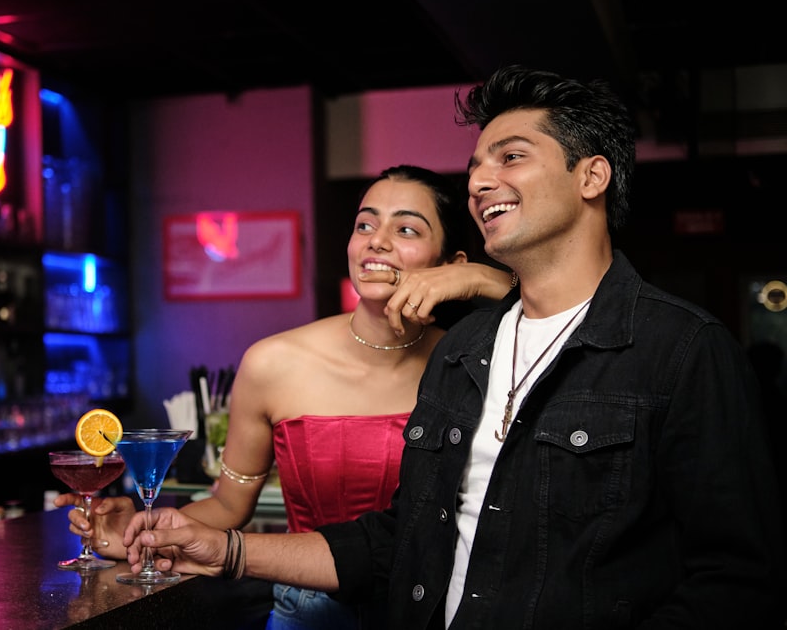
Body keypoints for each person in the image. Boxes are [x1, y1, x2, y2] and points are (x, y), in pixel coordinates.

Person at [119, 65, 785, 629]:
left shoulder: (684, 350)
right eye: (475, 166)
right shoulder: (465, 353)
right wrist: (224, 548)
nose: (480, 180)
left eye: (511, 156)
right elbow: (403, 539)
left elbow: (736, 582)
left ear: (592, 176)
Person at [55, 164, 515, 629]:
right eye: (365, 224)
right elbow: (230, 506)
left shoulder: (475, 361)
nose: (376, 240)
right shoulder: (272, 363)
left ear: (451, 264)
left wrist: (482, 278)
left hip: (429, 611)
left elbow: (572, 314)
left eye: (406, 228)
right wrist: (142, 529)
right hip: (307, 613)